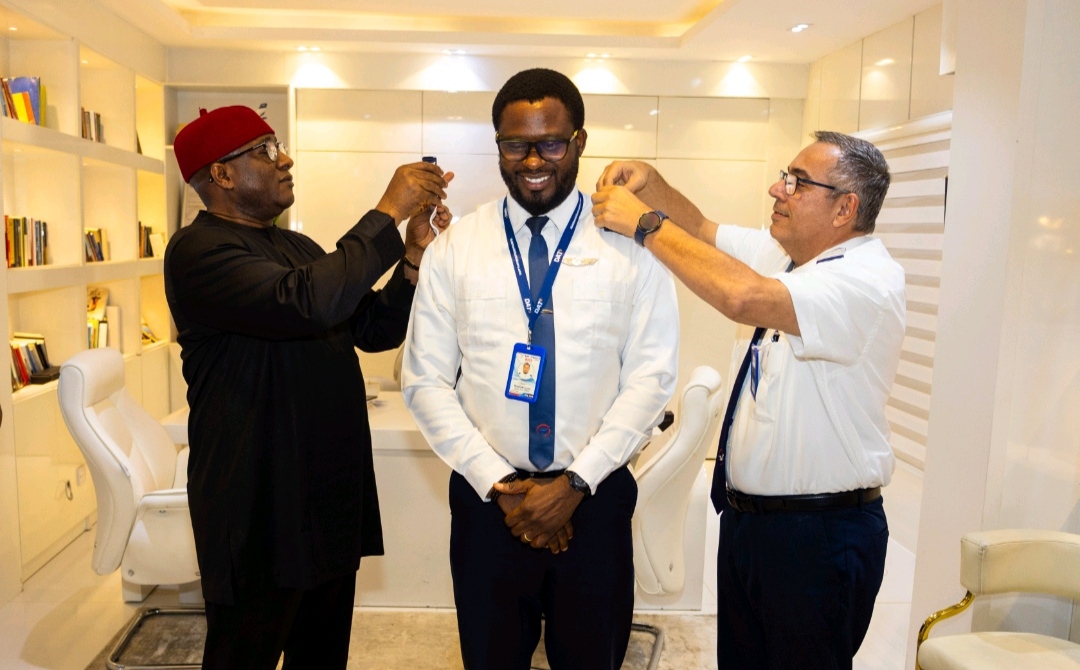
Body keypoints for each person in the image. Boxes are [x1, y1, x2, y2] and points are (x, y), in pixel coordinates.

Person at [591, 131, 904, 669]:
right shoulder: (789, 260)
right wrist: (651, 182)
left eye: (797, 183)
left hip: (818, 539)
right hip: (754, 528)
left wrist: (643, 224)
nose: (775, 189)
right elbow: (703, 234)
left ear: (845, 209)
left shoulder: (865, 281)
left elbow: (741, 297)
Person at [401, 68, 679, 669]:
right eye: (514, 144)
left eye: (551, 142)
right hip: (486, 506)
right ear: (497, 143)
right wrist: (500, 485)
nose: (533, 160)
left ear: (579, 142)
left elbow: (652, 378)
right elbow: (423, 379)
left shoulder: (630, 248)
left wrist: (575, 485)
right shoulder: (457, 247)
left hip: (595, 503)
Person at [165, 105, 452, 670]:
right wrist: (386, 211)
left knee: (321, 655)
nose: (286, 159)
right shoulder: (198, 252)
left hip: (324, 494)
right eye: (267, 150)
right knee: (243, 654)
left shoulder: (295, 248)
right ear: (221, 175)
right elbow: (306, 301)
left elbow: (369, 328)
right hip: (256, 502)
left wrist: (412, 259)